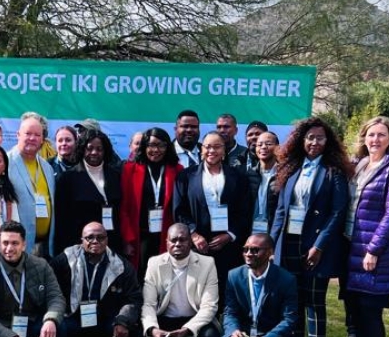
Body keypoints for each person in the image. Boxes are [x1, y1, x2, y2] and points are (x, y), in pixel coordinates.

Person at [269, 117, 351, 337]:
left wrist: (319, 246)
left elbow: (337, 212)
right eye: (310, 137)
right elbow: (280, 211)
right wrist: (271, 244)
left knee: (314, 303)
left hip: (316, 246)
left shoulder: (334, 172)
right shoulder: (290, 168)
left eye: (320, 138)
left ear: (327, 141)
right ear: (302, 140)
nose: (315, 142)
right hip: (289, 243)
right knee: (293, 301)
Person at [339, 116, 389, 337]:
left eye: (381, 135)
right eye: (371, 134)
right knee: (356, 312)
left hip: (374, 252)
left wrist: (374, 249)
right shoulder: (359, 166)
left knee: (370, 314)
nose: (375, 139)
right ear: (364, 138)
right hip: (352, 247)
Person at [174, 132, 252, 298]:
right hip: (197, 245)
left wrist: (230, 235)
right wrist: (193, 234)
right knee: (197, 293)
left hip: (228, 247)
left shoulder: (238, 177)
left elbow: (245, 211)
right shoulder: (186, 176)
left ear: (224, 150)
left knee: (226, 292)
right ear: (201, 149)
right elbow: (179, 210)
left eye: (217, 147)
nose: (212, 151)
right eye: (207, 146)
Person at [50, 222, 142, 337]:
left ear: (107, 240)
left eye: (100, 237)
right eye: (90, 237)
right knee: (56, 328)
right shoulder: (65, 260)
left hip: (106, 318)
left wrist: (123, 320)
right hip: (71, 316)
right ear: (82, 240)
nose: (95, 241)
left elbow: (133, 298)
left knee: (130, 331)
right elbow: (50, 291)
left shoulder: (121, 265)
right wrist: (51, 319)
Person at [0, 221, 66, 337]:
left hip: (32, 322)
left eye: (15, 243)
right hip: (2, 327)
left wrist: (50, 319)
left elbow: (56, 297)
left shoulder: (41, 266)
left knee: (59, 328)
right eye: (5, 243)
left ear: (24, 245)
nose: (9, 248)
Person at [141, 223, 221, 337]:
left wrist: (187, 329)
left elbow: (209, 306)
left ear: (190, 242)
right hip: (164, 319)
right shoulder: (154, 263)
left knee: (210, 336)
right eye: (173, 240)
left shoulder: (207, 264)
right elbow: (148, 304)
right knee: (142, 335)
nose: (177, 244)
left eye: (182, 240)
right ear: (167, 242)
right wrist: (153, 329)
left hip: (195, 319)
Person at [120, 127, 183, 274]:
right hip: (139, 236)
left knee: (164, 277)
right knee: (142, 277)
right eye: (151, 145)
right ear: (144, 146)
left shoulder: (177, 170)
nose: (156, 150)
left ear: (168, 147)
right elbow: (123, 208)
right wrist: (127, 239)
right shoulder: (130, 170)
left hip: (167, 236)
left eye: (161, 145)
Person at [222, 233, 301, 337]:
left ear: (270, 252)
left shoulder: (286, 280)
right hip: (242, 336)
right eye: (245, 249)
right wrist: (233, 332)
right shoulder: (234, 276)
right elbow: (230, 312)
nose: (248, 254)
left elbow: (289, 319)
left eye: (255, 250)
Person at [55, 130, 123, 252]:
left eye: (99, 149)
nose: (94, 152)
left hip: (112, 243)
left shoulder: (115, 175)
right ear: (82, 149)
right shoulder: (68, 178)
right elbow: (62, 220)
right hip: (80, 244)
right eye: (89, 148)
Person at [8, 112, 59, 256]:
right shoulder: (6, 163)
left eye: (37, 135)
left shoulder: (47, 167)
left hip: (44, 246)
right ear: (18, 135)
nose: (32, 138)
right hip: (17, 246)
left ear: (42, 139)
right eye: (28, 133)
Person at [247, 131, 281, 234]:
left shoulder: (285, 176)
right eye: (259, 144)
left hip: (274, 232)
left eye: (268, 144)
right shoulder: (248, 175)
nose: (263, 147)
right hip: (250, 233)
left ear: (278, 148)